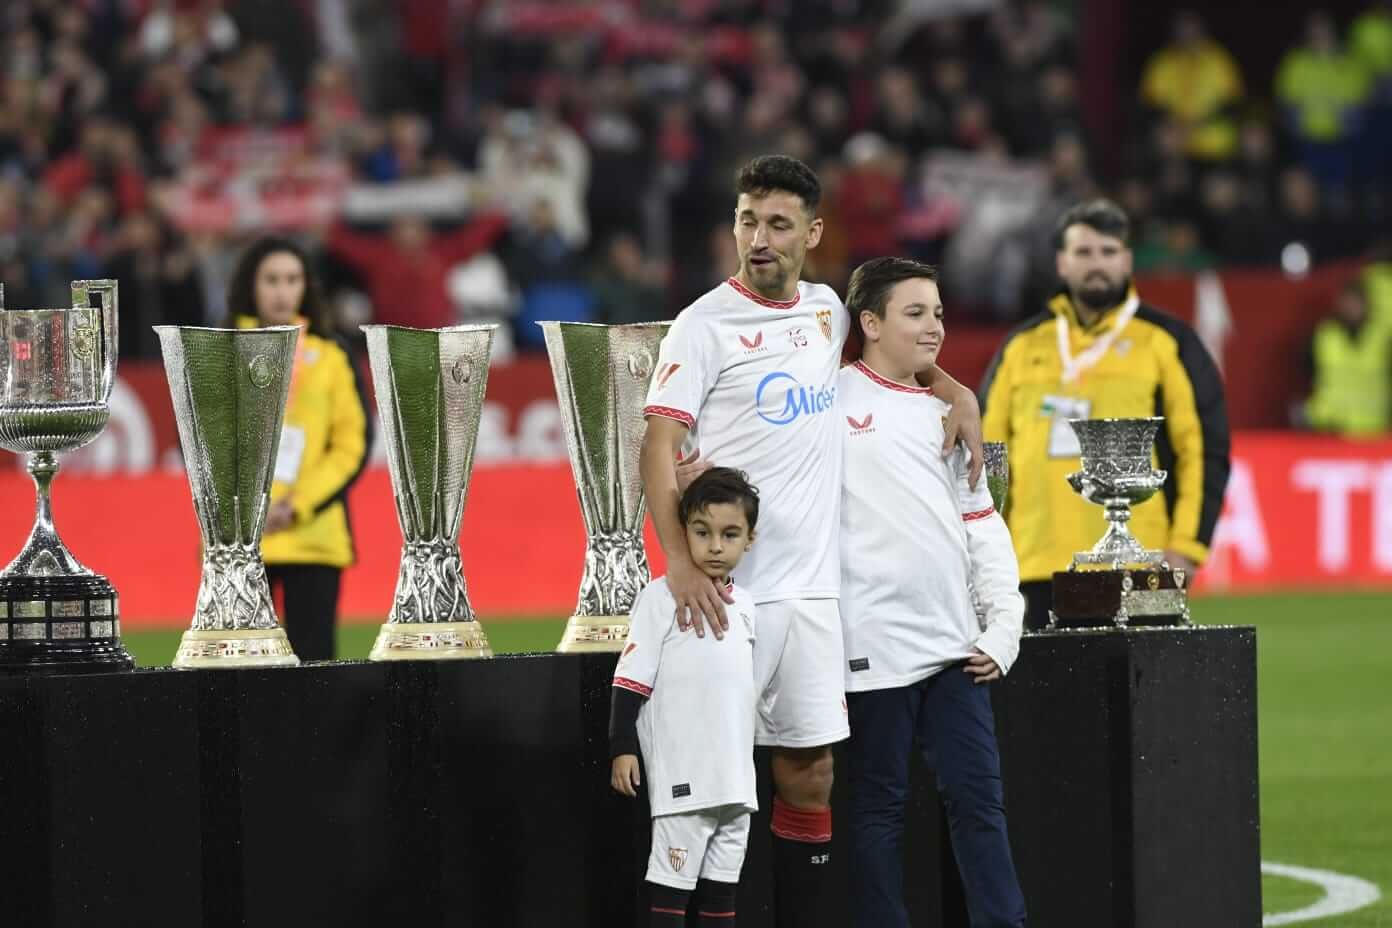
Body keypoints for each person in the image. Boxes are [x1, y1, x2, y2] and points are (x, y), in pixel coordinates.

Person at [639, 154, 985, 928]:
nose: (759, 239)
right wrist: (680, 565)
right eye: (747, 222)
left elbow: (893, 357)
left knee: (811, 775)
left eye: (777, 224)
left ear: (813, 233)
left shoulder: (828, 309)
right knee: (705, 790)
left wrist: (955, 389)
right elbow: (657, 447)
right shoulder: (703, 325)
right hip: (729, 594)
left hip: (812, 596)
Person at [838, 256, 1026, 927]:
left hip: (955, 650)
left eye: (939, 313)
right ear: (870, 323)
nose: (934, 327)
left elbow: (982, 524)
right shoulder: (825, 403)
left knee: (980, 805)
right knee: (876, 811)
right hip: (869, 646)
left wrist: (1004, 626)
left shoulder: (950, 413)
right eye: (915, 313)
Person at [980, 199, 1231, 631]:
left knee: (1144, 678)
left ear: (1127, 260)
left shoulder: (1165, 342)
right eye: (1083, 252)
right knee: (1041, 679)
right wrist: (988, 548)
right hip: (1033, 564)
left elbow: (1202, 449)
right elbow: (990, 455)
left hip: (1142, 563)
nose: (1096, 263)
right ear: (1062, 263)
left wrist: (1187, 548)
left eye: (1108, 251)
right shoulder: (1021, 347)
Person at [610, 468, 764, 927]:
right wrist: (621, 746)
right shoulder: (660, 598)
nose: (715, 546)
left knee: (722, 898)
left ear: (749, 540)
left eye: (729, 534)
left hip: (736, 783)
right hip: (685, 780)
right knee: (670, 895)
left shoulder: (748, 606)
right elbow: (630, 679)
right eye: (702, 532)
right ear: (683, 533)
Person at [224, 237, 371, 660]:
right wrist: (250, 507)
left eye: (292, 280)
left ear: (306, 287)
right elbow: (203, 443)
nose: (282, 291)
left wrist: (298, 504)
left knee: (314, 670)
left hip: (313, 537)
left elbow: (351, 446)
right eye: (271, 280)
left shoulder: (331, 357)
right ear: (251, 285)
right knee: (240, 673)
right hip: (241, 539)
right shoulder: (220, 351)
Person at [1303, 278, 1392, 436]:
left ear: (1366, 304)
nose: (1352, 308)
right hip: (1329, 423)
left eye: (1356, 303)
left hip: (1373, 427)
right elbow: (1307, 371)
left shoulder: (1382, 337)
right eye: (1347, 302)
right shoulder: (1325, 334)